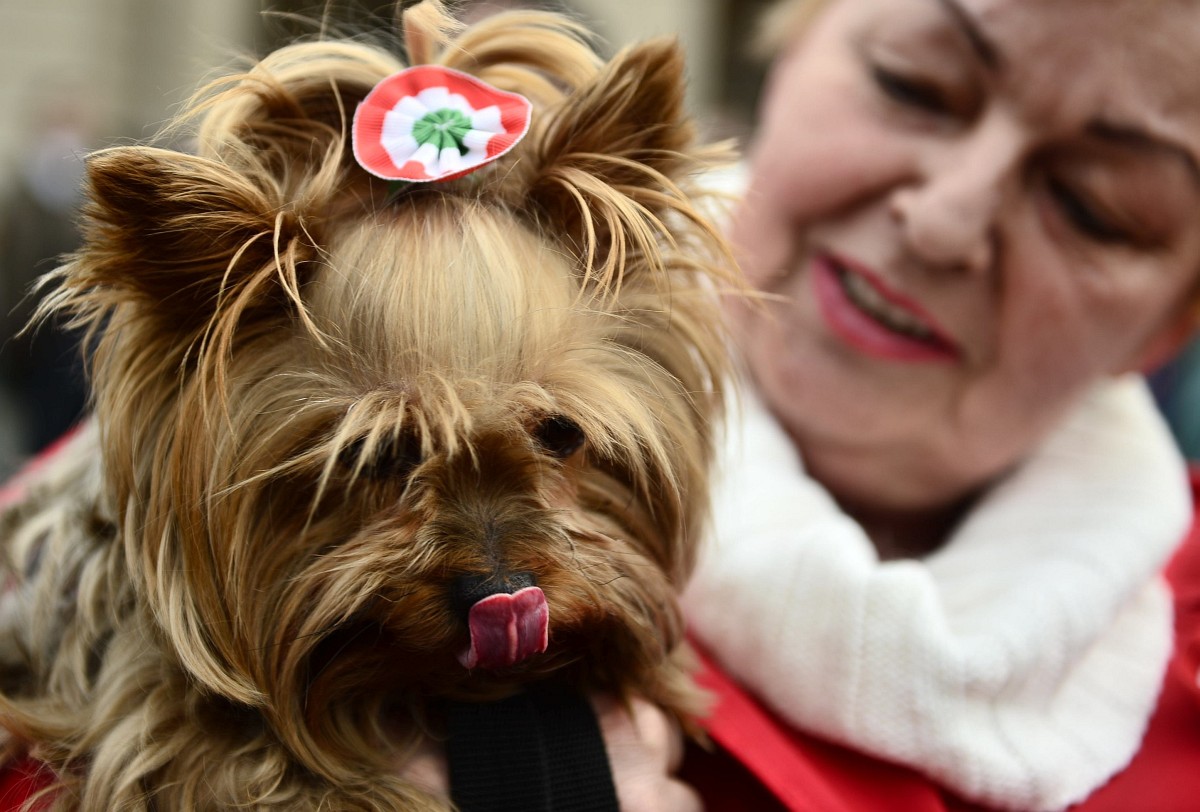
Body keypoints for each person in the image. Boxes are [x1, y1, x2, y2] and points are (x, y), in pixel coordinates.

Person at [674, 0, 1200, 810]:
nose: (942, 222)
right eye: (914, 84)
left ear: (1169, 326)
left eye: (1093, 206)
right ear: (795, 39)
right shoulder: (429, 402)